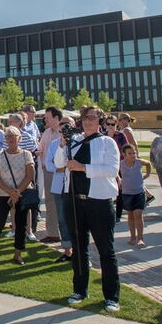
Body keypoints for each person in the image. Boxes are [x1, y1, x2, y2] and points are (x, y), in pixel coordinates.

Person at [55, 105, 121, 312]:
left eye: (93, 118)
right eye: (85, 118)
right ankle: (80, 289)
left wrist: (84, 168)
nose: (89, 121)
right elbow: (58, 163)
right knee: (79, 248)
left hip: (99, 201)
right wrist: (61, 145)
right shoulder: (73, 141)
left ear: (100, 120)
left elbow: (112, 170)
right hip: (74, 200)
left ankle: (111, 296)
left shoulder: (107, 142)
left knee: (105, 250)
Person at [0, 126, 36, 265]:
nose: (10, 139)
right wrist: (9, 191)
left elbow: (30, 175)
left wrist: (17, 192)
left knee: (21, 223)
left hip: (21, 194)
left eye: (13, 136)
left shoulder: (26, 155)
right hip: (2, 194)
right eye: (8, 136)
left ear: (20, 138)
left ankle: (17, 254)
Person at [45, 117, 75, 261]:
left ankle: (80, 250)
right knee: (62, 218)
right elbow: (48, 163)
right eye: (62, 124)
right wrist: (61, 168)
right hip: (59, 184)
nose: (64, 126)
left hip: (76, 185)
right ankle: (68, 250)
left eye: (67, 124)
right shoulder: (54, 144)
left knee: (77, 218)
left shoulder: (79, 142)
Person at [7, 113, 39, 240]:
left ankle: (29, 230)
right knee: (13, 203)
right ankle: (14, 228)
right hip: (11, 176)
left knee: (27, 203)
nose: (9, 123)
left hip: (25, 176)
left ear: (19, 122)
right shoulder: (7, 137)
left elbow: (33, 152)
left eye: (11, 121)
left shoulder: (27, 137)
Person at [38, 107, 63, 243]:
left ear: (56, 118)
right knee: (49, 201)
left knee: (61, 202)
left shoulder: (63, 133)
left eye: (47, 117)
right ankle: (52, 233)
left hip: (60, 171)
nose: (45, 120)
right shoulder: (47, 132)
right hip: (47, 171)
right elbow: (41, 148)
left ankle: (64, 233)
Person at [119, 145, 151, 246]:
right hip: (127, 193)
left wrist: (147, 175)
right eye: (130, 153)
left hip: (139, 192)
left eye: (134, 153)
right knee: (130, 215)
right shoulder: (121, 164)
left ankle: (140, 238)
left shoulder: (139, 162)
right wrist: (118, 179)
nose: (133, 155)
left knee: (138, 214)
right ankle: (133, 237)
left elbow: (148, 163)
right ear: (124, 155)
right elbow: (114, 171)